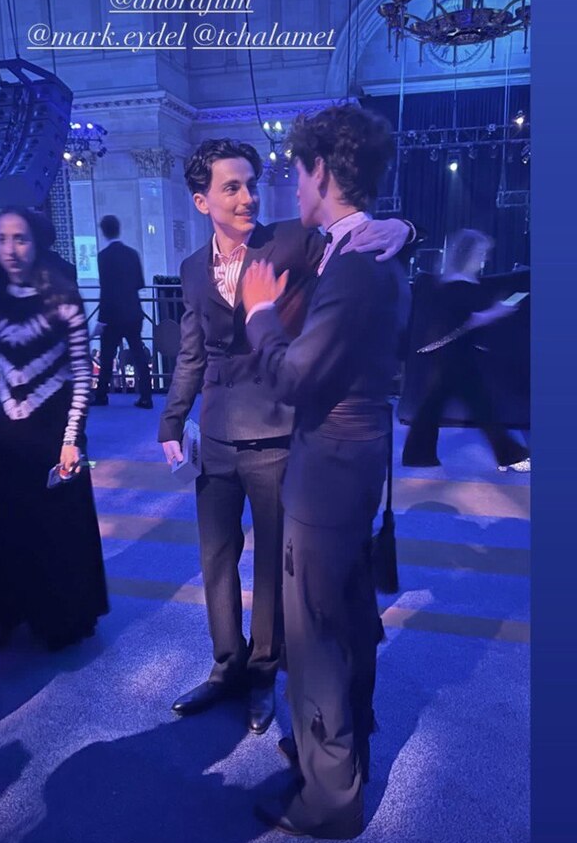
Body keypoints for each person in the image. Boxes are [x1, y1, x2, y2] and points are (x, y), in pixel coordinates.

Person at [158, 136, 415, 736]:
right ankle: (226, 664)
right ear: (202, 201)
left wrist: (403, 228)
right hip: (216, 434)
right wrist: (172, 419)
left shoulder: (291, 240)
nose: (248, 197)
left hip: (276, 427)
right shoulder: (192, 268)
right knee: (216, 559)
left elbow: (352, 242)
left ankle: (263, 672)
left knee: (273, 564)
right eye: (231, 187)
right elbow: (192, 354)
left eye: (251, 184)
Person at [240, 103, 409, 839]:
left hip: (330, 467)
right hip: (355, 459)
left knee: (314, 631)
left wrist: (258, 315)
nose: (292, 187)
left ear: (320, 171)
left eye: (296, 172)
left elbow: (295, 377)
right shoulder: (371, 250)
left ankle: (331, 795)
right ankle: (337, 748)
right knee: (345, 614)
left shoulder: (356, 265)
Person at [0, 208, 109, 651]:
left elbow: (82, 373)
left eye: (19, 238)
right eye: (1, 239)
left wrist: (71, 438)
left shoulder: (63, 296)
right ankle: (10, 610)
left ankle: (61, 617)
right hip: (8, 431)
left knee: (57, 527)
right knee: (7, 523)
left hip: (54, 428)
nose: (10, 249)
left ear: (36, 242)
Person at [401, 228, 530, 471]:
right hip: (453, 356)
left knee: (442, 406)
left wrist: (493, 312)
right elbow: (466, 321)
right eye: (481, 252)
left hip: (456, 354)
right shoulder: (457, 284)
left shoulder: (457, 282)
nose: (484, 258)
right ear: (467, 253)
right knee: (477, 407)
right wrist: (496, 312)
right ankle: (509, 455)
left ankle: (417, 455)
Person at [92, 215, 153, 409]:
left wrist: (101, 320)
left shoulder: (103, 257)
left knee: (107, 356)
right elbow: (139, 283)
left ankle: (101, 395)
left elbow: (106, 290)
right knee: (138, 354)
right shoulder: (132, 254)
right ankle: (146, 397)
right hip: (133, 312)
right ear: (119, 229)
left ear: (104, 231)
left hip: (112, 316)